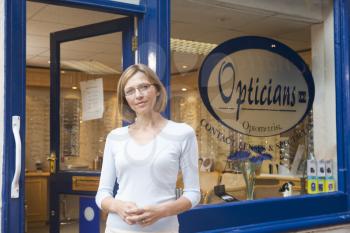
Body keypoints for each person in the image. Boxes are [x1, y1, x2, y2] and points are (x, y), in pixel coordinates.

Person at [95, 64, 201, 233]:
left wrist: (161, 211)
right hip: (118, 228)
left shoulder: (182, 133)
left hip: (163, 228)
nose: (138, 95)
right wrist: (118, 206)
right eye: (130, 91)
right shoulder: (115, 137)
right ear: (125, 99)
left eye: (144, 87)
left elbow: (193, 194)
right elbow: (102, 195)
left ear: (157, 90)